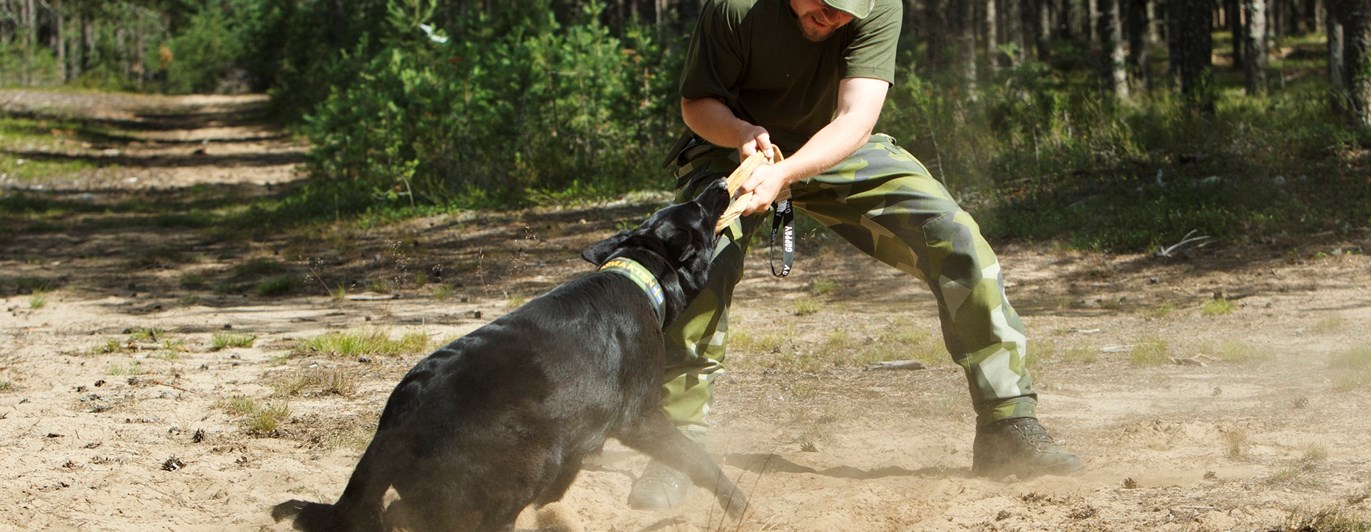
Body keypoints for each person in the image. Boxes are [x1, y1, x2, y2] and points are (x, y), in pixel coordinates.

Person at [627, 0, 1085, 511]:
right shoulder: (736, 8)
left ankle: (1008, 422)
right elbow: (698, 104)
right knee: (701, 264)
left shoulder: (879, 6)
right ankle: (675, 452)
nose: (833, 16)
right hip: (733, 151)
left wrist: (787, 173)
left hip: (835, 143)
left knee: (955, 238)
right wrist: (742, 136)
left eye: (847, 9)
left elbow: (856, 117)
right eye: (822, 4)